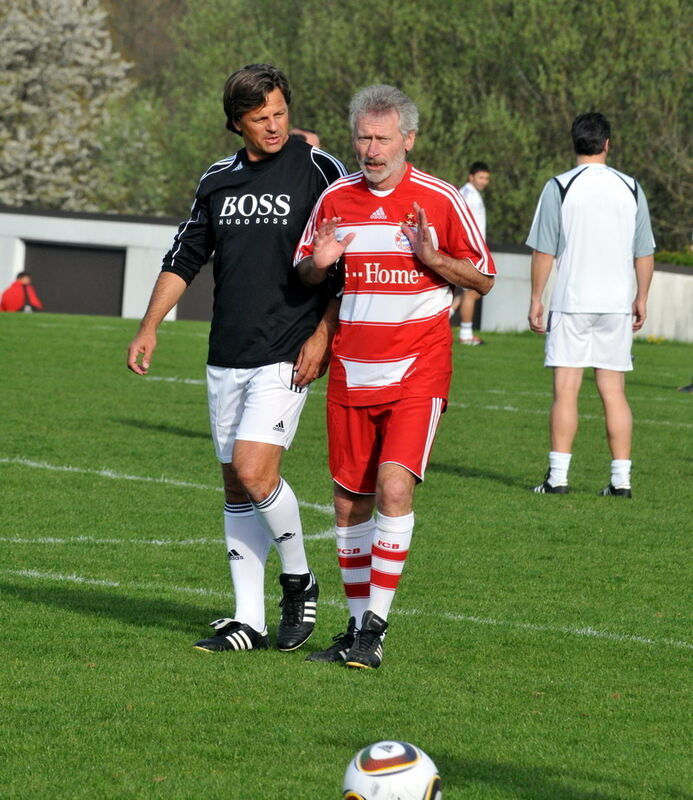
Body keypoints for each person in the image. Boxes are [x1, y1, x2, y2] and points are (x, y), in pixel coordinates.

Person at [127, 63, 347, 653]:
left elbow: (344, 265)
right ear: (236, 124)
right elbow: (184, 259)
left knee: (254, 469)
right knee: (234, 484)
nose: (274, 126)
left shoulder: (321, 171)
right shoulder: (217, 181)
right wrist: (150, 327)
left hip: (287, 346)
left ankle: (299, 578)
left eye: (280, 113)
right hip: (227, 352)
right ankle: (247, 620)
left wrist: (324, 334)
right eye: (260, 118)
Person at [295, 84, 495, 669]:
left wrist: (433, 260)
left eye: (383, 138)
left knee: (393, 488)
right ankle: (355, 629)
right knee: (346, 504)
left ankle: (375, 629)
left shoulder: (439, 199)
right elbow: (306, 273)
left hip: (418, 370)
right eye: (363, 137)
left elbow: (482, 279)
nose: (371, 149)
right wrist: (317, 264)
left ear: (409, 139)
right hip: (353, 372)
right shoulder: (335, 199)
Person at [526, 112, 655, 498]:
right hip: (616, 303)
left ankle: (558, 478)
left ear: (574, 142)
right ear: (607, 143)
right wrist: (642, 297)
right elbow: (644, 252)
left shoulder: (559, 186)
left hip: (572, 301)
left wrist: (536, 298)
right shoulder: (631, 188)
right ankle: (621, 482)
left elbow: (545, 249)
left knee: (566, 389)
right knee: (613, 391)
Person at [449, 161, 491, 345]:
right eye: (481, 177)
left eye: (486, 178)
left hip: (472, 249)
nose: (484, 181)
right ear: (471, 176)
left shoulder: (471, 193)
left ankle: (443, 319)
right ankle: (466, 335)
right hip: (469, 250)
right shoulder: (469, 195)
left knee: (464, 292)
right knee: (472, 292)